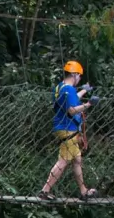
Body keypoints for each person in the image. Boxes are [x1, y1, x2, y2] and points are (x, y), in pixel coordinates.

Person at [40, 60, 97, 199]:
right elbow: (72, 110)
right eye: (79, 76)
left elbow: (72, 99)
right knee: (63, 160)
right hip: (68, 129)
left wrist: (84, 89)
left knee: (77, 160)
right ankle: (45, 191)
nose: (79, 79)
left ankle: (83, 191)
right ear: (75, 74)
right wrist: (89, 104)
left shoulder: (61, 87)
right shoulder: (69, 89)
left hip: (64, 127)